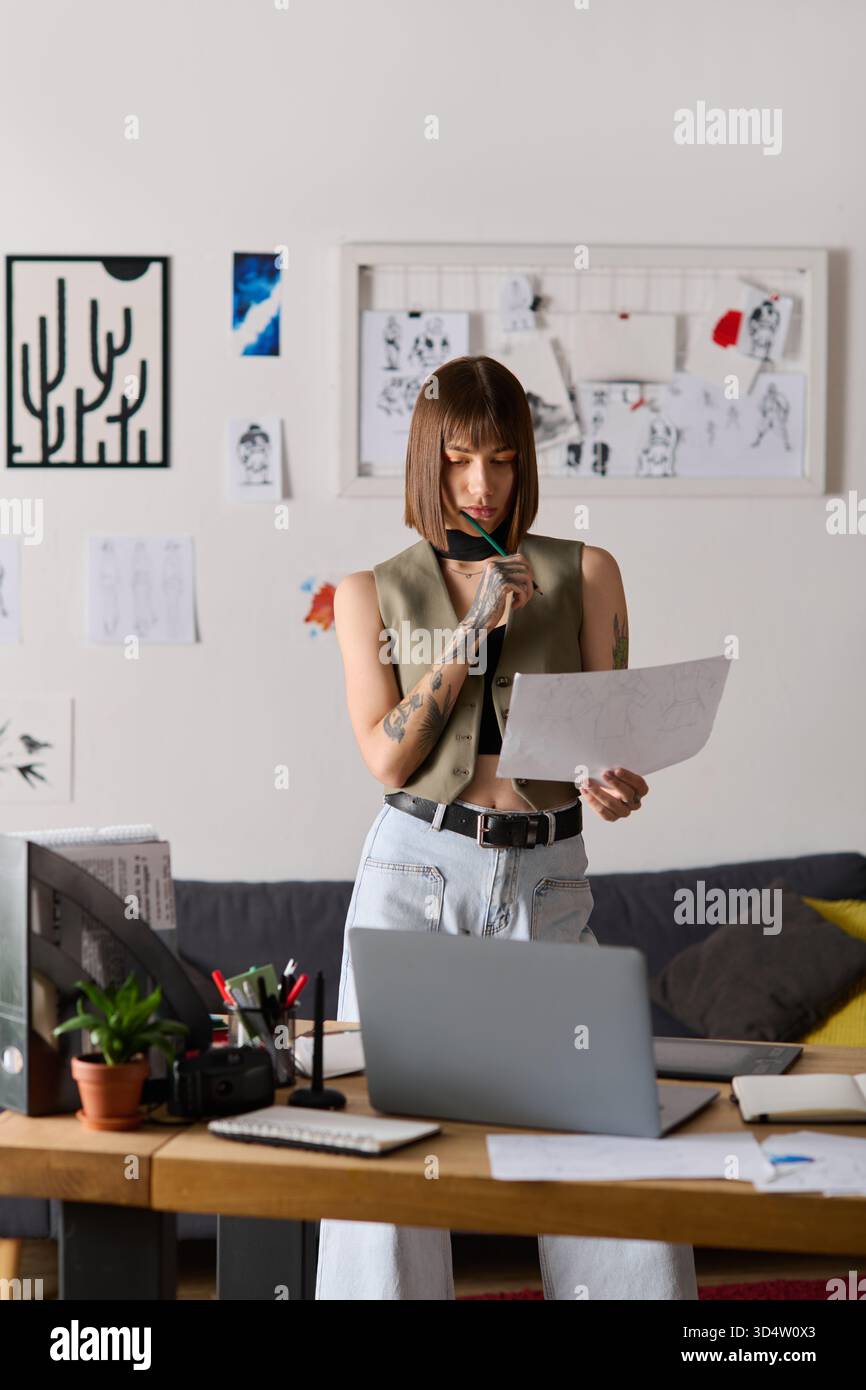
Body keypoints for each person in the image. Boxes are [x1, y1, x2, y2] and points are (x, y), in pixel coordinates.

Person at [316, 355, 697, 1300]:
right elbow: (386, 757)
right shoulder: (367, 593)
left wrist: (612, 789)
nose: (481, 484)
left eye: (500, 460)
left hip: (548, 875)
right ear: (426, 462)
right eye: (456, 460)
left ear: (526, 461)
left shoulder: (589, 573)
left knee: (608, 1137)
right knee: (385, 1161)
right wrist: (475, 623)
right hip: (413, 871)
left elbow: (607, 750)